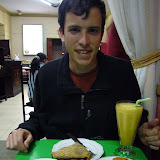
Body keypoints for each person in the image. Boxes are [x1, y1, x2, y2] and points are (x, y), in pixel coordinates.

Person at [6, 0, 160, 155]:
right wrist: (26, 130)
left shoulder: (123, 71)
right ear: (62, 34)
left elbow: (138, 121)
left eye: (92, 30)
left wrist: (144, 133)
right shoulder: (47, 74)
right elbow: (39, 119)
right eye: (74, 30)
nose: (84, 41)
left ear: (101, 34)